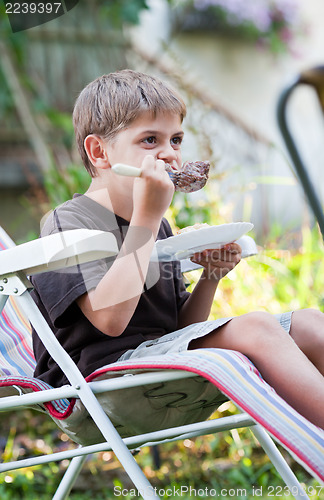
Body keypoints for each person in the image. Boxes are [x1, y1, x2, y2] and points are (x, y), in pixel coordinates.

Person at [32, 69, 324, 429]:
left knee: (312, 323)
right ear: (99, 151)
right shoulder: (69, 223)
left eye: (176, 140)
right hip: (100, 384)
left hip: (163, 363)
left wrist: (211, 277)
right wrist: (148, 217)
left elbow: (180, 328)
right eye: (150, 140)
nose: (170, 154)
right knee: (256, 328)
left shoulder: (157, 225)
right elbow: (109, 321)